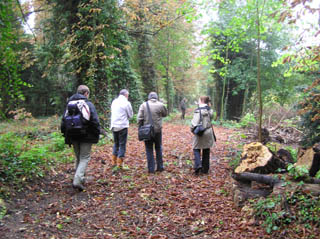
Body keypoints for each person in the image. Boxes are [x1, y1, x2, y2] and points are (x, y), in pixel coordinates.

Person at [61, 85, 100, 191]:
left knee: (78, 157)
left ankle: (79, 178)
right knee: (85, 157)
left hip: (73, 135)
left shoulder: (69, 104)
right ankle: (77, 181)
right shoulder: (88, 104)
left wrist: (66, 135)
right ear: (86, 93)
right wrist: (97, 134)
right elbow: (95, 121)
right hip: (86, 136)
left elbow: (63, 121)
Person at [137, 92, 167, 173]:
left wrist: (140, 128)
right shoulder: (161, 105)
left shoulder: (143, 105)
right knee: (158, 148)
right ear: (156, 97)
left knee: (149, 149)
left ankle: (151, 169)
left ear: (149, 97)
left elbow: (139, 118)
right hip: (158, 131)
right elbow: (165, 114)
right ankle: (160, 167)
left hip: (147, 131)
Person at [191, 96, 215, 175]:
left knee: (196, 148)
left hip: (200, 132)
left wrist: (192, 130)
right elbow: (212, 117)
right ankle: (205, 169)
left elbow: (194, 123)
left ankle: (198, 165)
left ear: (201, 101)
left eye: (199, 100)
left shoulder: (198, 110)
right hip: (208, 131)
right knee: (206, 149)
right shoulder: (210, 110)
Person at [110, 89, 133, 168]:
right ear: (126, 95)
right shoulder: (127, 103)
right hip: (122, 126)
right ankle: (119, 164)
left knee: (116, 144)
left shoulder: (114, 101)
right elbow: (130, 115)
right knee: (122, 144)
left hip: (114, 125)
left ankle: (113, 162)